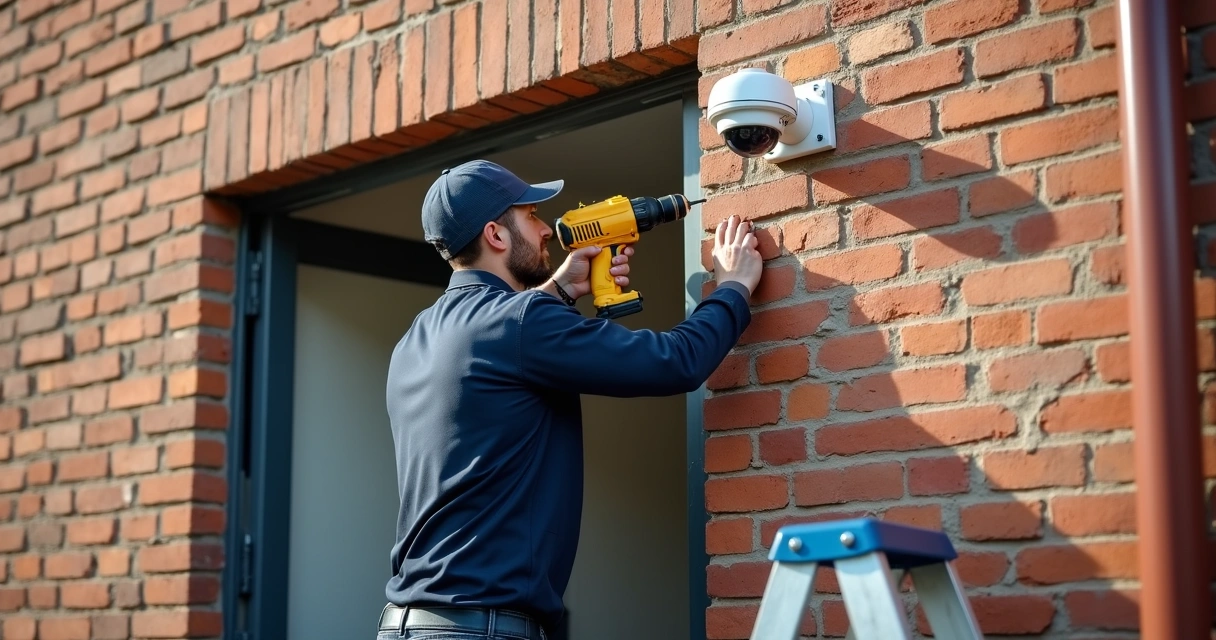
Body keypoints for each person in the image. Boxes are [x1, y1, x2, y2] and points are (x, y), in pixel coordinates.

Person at [378, 159, 763, 640]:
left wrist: (558, 291)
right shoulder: (520, 322)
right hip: (482, 630)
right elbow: (675, 362)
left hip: (411, 626)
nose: (545, 231)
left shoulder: (416, 338)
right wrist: (732, 287)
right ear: (497, 235)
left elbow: (499, 355)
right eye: (532, 216)